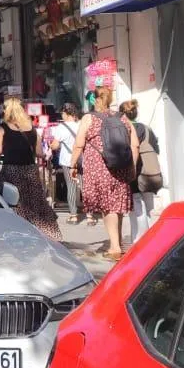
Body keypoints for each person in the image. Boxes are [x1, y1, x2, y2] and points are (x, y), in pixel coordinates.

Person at [70, 85, 139, 262]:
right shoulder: (122, 117)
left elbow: (79, 144)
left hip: (100, 167)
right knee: (117, 206)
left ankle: (115, 246)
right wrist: (132, 166)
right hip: (121, 167)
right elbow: (135, 144)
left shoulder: (89, 118)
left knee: (108, 207)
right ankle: (116, 242)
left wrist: (73, 165)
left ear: (94, 99)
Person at [0, 97, 62, 241]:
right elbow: (38, 153)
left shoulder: (2, 128)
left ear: (7, 111)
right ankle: (46, 234)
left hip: (11, 171)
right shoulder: (31, 129)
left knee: (14, 203)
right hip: (30, 170)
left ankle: (17, 233)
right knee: (35, 203)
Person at [120, 99, 164, 243]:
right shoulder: (146, 128)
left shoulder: (124, 129)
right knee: (149, 204)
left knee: (136, 205)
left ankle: (139, 239)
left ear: (122, 114)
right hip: (148, 171)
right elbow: (156, 149)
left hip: (133, 171)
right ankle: (154, 238)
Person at [44, 102, 82, 223]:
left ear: (66, 114)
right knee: (84, 186)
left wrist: (50, 145)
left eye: (62, 113)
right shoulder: (81, 125)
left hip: (68, 161)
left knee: (71, 186)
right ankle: (90, 215)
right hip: (82, 159)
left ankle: (73, 214)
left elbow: (55, 146)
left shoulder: (61, 128)